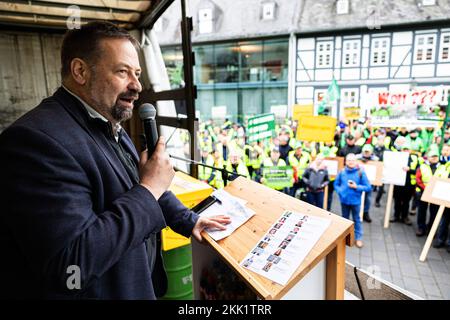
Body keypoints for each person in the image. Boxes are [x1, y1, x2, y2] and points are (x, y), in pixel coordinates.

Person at [0, 22, 231, 299]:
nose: (137, 86)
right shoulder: (36, 141)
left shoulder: (105, 123)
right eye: (123, 72)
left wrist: (188, 220)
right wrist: (149, 189)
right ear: (80, 71)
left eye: (137, 74)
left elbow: (141, 184)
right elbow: (71, 266)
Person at [334, 153, 372, 248]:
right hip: (344, 200)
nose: (351, 162)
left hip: (356, 201)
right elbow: (336, 184)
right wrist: (340, 192)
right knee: (344, 219)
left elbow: (368, 187)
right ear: (346, 161)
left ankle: (358, 238)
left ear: (356, 161)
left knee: (357, 220)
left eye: (353, 160)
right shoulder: (342, 172)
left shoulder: (361, 172)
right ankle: (344, 237)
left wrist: (356, 187)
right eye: (349, 160)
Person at [415, 149, 448, 236]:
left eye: (436, 156)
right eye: (432, 156)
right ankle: (421, 228)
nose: (434, 158)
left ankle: (431, 229)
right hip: (423, 192)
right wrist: (426, 189)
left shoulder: (443, 167)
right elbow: (418, 179)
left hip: (436, 194)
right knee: (422, 211)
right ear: (428, 157)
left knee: (434, 212)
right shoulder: (422, 166)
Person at [390, 144, 418, 225]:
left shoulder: (415, 158)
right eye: (404, 149)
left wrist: (410, 170)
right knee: (397, 201)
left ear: (410, 150)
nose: (405, 151)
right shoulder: (396, 157)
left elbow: (419, 170)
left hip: (409, 185)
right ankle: (396, 216)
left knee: (406, 202)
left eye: (407, 149)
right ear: (401, 150)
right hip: (398, 183)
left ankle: (404, 217)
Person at [356, 144, 379, 223]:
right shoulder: (357, 157)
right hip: (358, 181)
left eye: (368, 152)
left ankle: (365, 213)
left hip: (369, 182)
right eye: (365, 152)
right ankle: (357, 212)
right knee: (357, 197)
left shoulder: (375, 159)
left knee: (368, 199)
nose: (366, 153)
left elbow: (378, 165)